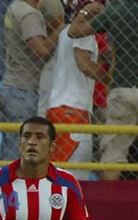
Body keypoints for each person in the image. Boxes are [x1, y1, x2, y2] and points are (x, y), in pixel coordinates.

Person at [69, 0, 138, 181]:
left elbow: (74, 32)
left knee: (114, 153)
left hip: (125, 86)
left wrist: (85, 11)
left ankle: (111, 203)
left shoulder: (116, 11)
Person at [45, 2, 107, 181]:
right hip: (74, 109)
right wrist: (109, 76)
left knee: (58, 170)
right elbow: (85, 65)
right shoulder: (84, 33)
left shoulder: (65, 32)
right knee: (74, 175)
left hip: (58, 106)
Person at [0, 0, 61, 161]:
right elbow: (41, 49)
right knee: (18, 151)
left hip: (11, 86)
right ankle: (9, 184)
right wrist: (60, 29)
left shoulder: (15, 7)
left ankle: (4, 183)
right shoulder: (29, 14)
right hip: (22, 90)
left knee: (10, 146)